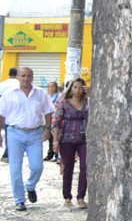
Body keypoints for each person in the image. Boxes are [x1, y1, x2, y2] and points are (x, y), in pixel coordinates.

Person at [0, 67, 55, 211]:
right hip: (14, 133)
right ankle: (19, 199)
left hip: (35, 134)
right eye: (23, 75)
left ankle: (30, 185)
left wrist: (48, 129)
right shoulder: (8, 94)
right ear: (17, 77)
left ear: (32, 77)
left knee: (37, 166)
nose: (26, 78)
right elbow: (1, 114)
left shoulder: (40, 93)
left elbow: (48, 111)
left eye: (29, 75)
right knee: (15, 168)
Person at [53, 78, 89, 208]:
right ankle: (67, 197)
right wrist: (55, 141)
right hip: (66, 139)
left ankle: (81, 196)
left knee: (85, 167)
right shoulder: (64, 103)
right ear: (70, 89)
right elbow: (56, 123)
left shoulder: (87, 103)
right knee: (68, 168)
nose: (78, 90)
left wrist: (90, 97)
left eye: (81, 87)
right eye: (75, 87)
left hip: (84, 139)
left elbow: (94, 114)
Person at [0, 67, 20, 163]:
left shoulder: (3, 84)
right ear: (17, 75)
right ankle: (9, 154)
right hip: (16, 114)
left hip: (4, 113)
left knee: (8, 133)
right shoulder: (19, 84)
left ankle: (7, 154)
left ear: (9, 74)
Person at [44, 81, 62, 161]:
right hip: (49, 118)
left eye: (52, 87)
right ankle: (50, 154)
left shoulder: (59, 96)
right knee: (50, 137)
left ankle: (57, 155)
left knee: (56, 136)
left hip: (55, 117)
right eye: (49, 87)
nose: (51, 88)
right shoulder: (48, 96)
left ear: (56, 87)